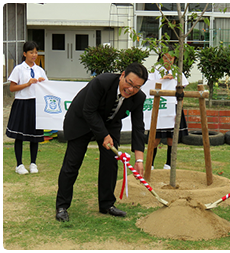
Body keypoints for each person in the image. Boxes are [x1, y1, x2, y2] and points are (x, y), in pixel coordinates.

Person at [55, 62, 148, 222]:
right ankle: (62, 206)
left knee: (110, 163)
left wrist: (139, 159)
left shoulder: (138, 98)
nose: (131, 89)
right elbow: (89, 111)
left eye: (137, 87)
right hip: (81, 121)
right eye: (129, 83)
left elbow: (138, 127)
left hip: (110, 123)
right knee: (72, 164)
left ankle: (107, 204)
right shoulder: (101, 82)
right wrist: (104, 135)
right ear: (122, 75)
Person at [6, 41, 48, 175]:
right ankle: (19, 165)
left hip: (35, 104)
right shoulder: (18, 69)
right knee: (19, 136)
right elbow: (12, 88)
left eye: (36, 52)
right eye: (31, 52)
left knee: (34, 135)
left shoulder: (39, 70)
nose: (34, 55)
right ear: (25, 54)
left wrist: (42, 83)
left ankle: (33, 163)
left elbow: (47, 87)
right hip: (22, 103)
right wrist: (27, 84)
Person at [150, 45, 189, 170]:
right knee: (155, 139)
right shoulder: (155, 71)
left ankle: (169, 165)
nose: (168, 61)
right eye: (165, 58)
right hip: (159, 107)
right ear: (161, 58)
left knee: (171, 138)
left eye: (171, 58)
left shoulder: (178, 72)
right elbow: (149, 87)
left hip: (173, 107)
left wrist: (179, 110)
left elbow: (182, 92)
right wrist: (162, 79)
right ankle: (150, 165)